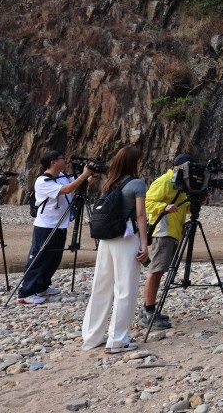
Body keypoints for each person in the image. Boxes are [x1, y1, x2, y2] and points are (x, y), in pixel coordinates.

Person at [81, 146, 150, 354]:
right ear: (133, 162)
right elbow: (140, 216)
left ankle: (92, 337)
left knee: (101, 287)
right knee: (125, 289)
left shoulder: (110, 183)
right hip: (126, 239)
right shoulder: (137, 183)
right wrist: (145, 244)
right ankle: (118, 340)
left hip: (106, 239)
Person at [17, 150, 95, 305]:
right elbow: (67, 190)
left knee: (53, 258)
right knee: (39, 258)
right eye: (62, 158)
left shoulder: (61, 177)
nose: (65, 161)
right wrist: (84, 175)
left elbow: (77, 184)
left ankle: (42, 286)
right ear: (53, 162)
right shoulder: (43, 181)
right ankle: (26, 293)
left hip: (60, 224)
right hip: (46, 226)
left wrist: (90, 175)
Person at [141, 153, 191, 329]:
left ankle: (148, 308)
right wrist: (164, 207)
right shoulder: (164, 181)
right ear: (176, 166)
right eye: (185, 167)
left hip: (174, 231)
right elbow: (146, 202)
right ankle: (148, 311)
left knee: (159, 270)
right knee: (156, 270)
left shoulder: (183, 184)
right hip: (163, 231)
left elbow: (185, 207)